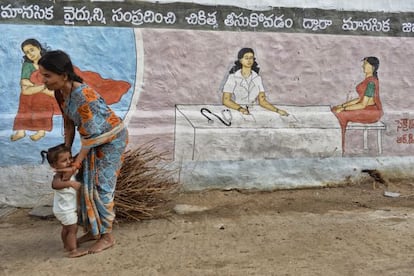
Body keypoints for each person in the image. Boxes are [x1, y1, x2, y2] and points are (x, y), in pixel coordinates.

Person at [38, 50, 128, 254]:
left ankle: (107, 237)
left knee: (101, 186)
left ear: (63, 75)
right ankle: (94, 229)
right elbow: (69, 124)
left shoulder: (84, 97)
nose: (43, 81)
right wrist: (66, 151)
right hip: (93, 139)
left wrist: (75, 164)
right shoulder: (60, 92)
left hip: (112, 140)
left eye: (47, 75)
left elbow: (91, 136)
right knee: (86, 183)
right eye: (42, 75)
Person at [41, 144, 87, 258]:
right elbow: (55, 184)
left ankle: (66, 245)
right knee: (73, 229)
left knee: (66, 229)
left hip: (62, 209)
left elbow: (75, 162)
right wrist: (71, 183)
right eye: (64, 160)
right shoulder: (59, 174)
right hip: (65, 209)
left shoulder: (65, 170)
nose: (68, 162)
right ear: (53, 164)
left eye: (69, 158)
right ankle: (73, 250)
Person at [332, 56, 383, 154]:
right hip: (367, 108)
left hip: (372, 112)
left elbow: (363, 104)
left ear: (372, 67)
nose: (363, 66)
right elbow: (359, 99)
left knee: (341, 114)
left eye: (365, 64)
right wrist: (342, 106)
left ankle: (339, 149)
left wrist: (343, 109)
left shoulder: (371, 82)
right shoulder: (368, 81)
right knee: (335, 109)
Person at [11, 38, 60, 141]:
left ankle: (41, 130)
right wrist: (41, 86)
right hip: (38, 90)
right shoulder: (27, 65)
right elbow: (24, 82)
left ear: (38, 48)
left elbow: (54, 83)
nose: (30, 54)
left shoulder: (49, 63)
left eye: (32, 50)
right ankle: (21, 130)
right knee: (25, 96)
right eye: (27, 52)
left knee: (41, 97)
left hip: (49, 94)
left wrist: (34, 86)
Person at [222, 48, 288, 116]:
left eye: (251, 58)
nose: (249, 60)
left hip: (254, 111)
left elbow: (262, 101)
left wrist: (277, 110)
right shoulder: (233, 77)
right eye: (246, 58)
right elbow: (226, 100)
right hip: (236, 110)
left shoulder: (257, 78)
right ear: (241, 60)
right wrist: (241, 109)